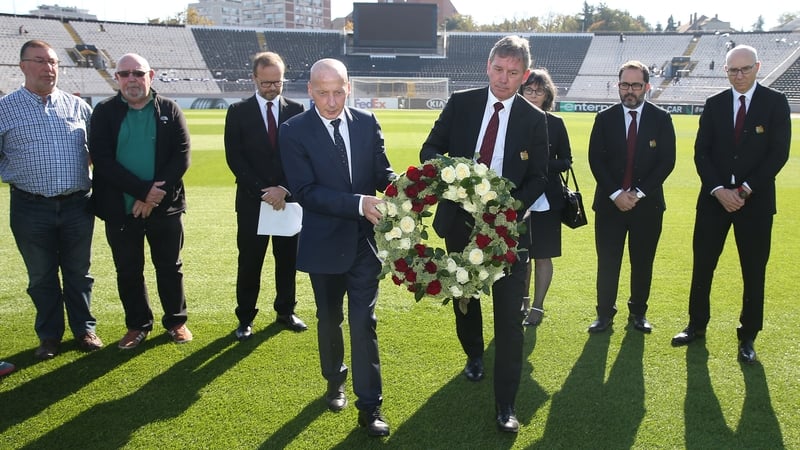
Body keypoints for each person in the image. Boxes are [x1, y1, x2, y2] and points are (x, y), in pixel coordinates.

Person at [419, 35, 549, 433]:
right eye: (498, 69)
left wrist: (505, 211)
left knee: (509, 318)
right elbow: (430, 151)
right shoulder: (461, 103)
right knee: (465, 299)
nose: (504, 79)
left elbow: (540, 177)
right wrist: (458, 185)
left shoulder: (534, 118)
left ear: (524, 75)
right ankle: (474, 353)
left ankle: (506, 404)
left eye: (513, 73)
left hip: (507, 232)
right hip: (458, 222)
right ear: (487, 65)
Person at [280, 58, 395, 437]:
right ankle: (334, 380)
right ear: (310, 91)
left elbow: (382, 172)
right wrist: (358, 203)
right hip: (323, 245)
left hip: (364, 244)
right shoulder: (293, 131)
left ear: (349, 88)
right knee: (330, 319)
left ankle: (370, 407)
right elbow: (305, 192)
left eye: (338, 91)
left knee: (365, 323)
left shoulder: (367, 123)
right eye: (322, 93)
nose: (331, 101)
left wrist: (409, 185)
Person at [671, 45, 791, 364]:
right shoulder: (714, 105)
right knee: (703, 266)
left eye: (745, 69)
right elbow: (702, 153)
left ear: (757, 67)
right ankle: (696, 325)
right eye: (732, 70)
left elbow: (778, 154)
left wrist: (746, 189)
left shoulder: (775, 103)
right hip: (714, 202)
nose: (739, 76)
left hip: (756, 202)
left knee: (753, 271)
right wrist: (718, 190)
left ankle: (748, 335)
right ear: (725, 70)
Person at [0, 40, 102, 360]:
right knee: (41, 276)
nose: (50, 68)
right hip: (30, 206)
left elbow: (97, 154)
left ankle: (84, 329)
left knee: (79, 273)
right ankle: (49, 335)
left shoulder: (78, 107)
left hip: (76, 204)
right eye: (41, 61)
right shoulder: (5, 109)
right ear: (23, 66)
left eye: (55, 62)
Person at [89, 53, 192, 350]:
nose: (131, 79)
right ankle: (138, 325)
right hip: (120, 209)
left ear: (151, 75)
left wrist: (153, 196)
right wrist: (143, 191)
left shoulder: (169, 109)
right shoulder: (105, 111)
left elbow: (181, 155)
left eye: (138, 73)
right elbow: (103, 161)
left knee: (170, 267)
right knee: (128, 270)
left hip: (165, 207)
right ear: (117, 78)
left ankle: (176, 322)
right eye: (125, 74)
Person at [587, 60, 676, 334]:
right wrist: (616, 194)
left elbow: (666, 161)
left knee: (642, 262)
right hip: (609, 205)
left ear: (647, 87)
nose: (630, 91)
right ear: (619, 85)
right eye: (625, 84)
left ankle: (638, 313)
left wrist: (636, 193)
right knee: (608, 261)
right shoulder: (604, 118)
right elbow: (595, 160)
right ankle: (604, 314)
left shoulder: (661, 119)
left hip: (647, 206)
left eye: (636, 85)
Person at [224, 52, 307, 340]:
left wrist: (283, 189)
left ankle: (286, 311)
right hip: (252, 201)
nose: (272, 88)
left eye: (277, 82)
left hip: (287, 200)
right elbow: (235, 158)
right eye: (266, 82)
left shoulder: (297, 110)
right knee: (250, 262)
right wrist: (264, 192)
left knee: (287, 261)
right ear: (254, 79)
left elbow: (302, 157)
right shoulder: (238, 111)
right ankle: (245, 318)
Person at [518, 68, 573, 327]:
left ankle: (537, 307)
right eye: (528, 89)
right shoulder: (512, 119)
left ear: (547, 94)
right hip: (518, 196)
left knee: (543, 255)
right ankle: (522, 301)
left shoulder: (556, 123)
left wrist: (541, 165)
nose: (533, 95)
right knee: (520, 255)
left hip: (547, 199)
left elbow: (566, 161)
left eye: (538, 91)